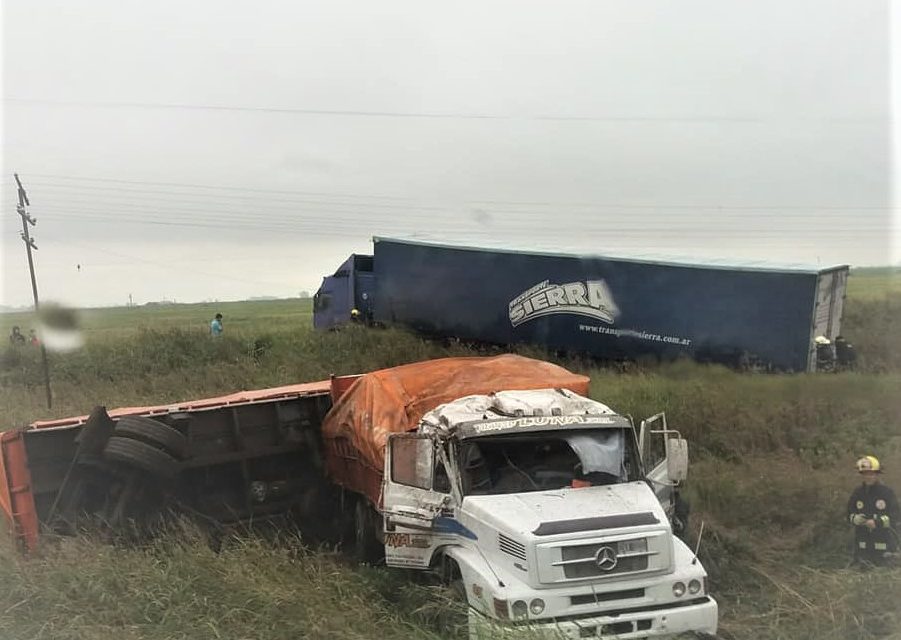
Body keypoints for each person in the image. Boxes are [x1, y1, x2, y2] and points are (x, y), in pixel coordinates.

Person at [847, 455, 899, 566]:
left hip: (884, 548)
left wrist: (877, 522)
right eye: (865, 474)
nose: (868, 477)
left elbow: (895, 516)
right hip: (862, 548)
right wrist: (856, 519)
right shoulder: (858, 493)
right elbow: (849, 514)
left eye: (871, 474)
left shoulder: (887, 493)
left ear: (877, 474)